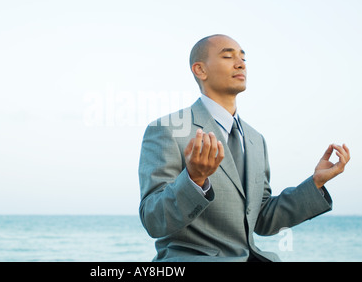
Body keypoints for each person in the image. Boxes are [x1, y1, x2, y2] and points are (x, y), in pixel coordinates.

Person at [138, 34, 351, 262]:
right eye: (228, 56)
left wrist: (315, 183)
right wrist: (194, 179)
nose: (240, 63)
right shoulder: (167, 129)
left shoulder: (255, 139)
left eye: (243, 58)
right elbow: (154, 220)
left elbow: (262, 219)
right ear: (200, 70)